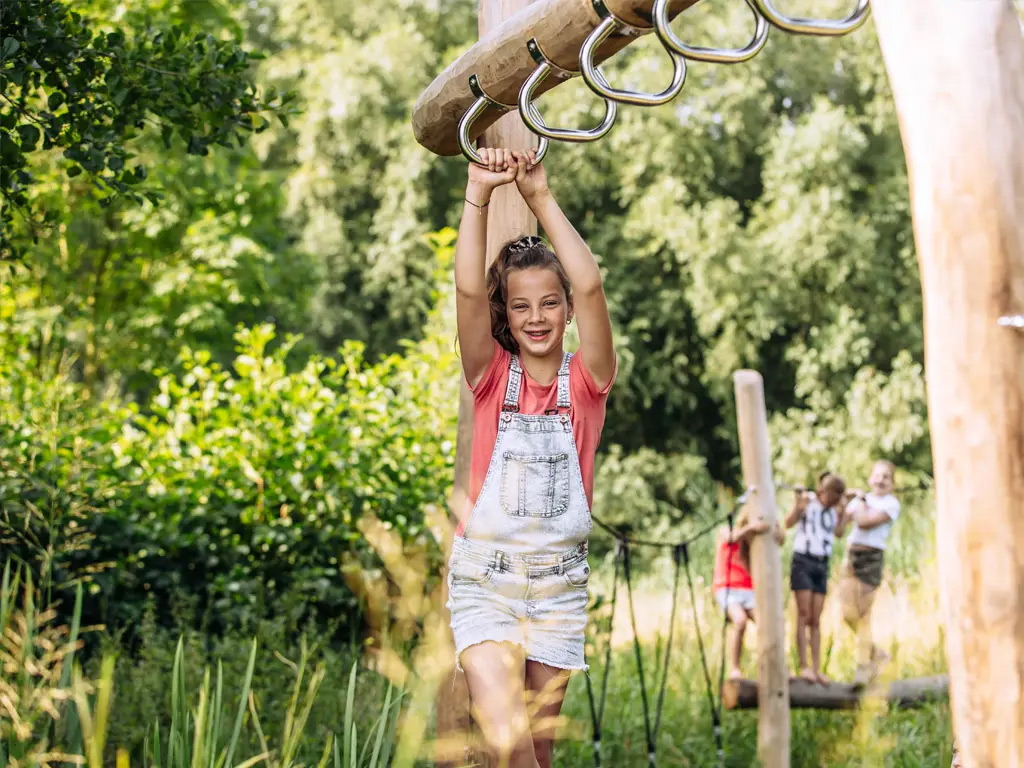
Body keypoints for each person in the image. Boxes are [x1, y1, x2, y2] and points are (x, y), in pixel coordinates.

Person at [446, 147, 616, 768]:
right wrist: (477, 191)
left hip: (559, 586)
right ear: (507, 316)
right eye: (521, 305)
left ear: (566, 309)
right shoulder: (490, 376)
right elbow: (467, 288)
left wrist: (541, 195)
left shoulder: (588, 380)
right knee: (509, 741)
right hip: (485, 581)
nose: (537, 317)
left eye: (550, 303)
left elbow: (592, 281)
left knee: (538, 755)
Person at [837, 459, 901, 687]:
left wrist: (860, 500)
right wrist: (842, 504)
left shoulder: (890, 504)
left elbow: (864, 523)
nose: (881, 480)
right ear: (869, 478)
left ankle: (863, 668)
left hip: (871, 559)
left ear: (892, 483)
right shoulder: (859, 501)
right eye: (877, 475)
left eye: (886, 477)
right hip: (851, 557)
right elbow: (839, 530)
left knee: (863, 615)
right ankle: (878, 655)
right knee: (848, 615)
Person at [785, 471, 848, 685]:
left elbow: (839, 533)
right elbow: (788, 522)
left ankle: (816, 667)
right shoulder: (808, 504)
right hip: (803, 561)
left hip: (822, 563)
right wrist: (797, 505)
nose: (836, 501)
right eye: (834, 497)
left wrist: (844, 512)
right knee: (803, 615)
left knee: (815, 619)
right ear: (823, 492)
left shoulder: (834, 511)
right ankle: (803, 666)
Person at [712, 510, 784, 680]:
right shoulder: (726, 531)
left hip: (747, 590)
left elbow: (780, 540)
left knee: (767, 625)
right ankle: (735, 668)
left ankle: (772, 667)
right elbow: (731, 538)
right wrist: (751, 528)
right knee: (740, 621)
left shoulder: (752, 546)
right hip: (727, 588)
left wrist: (773, 526)